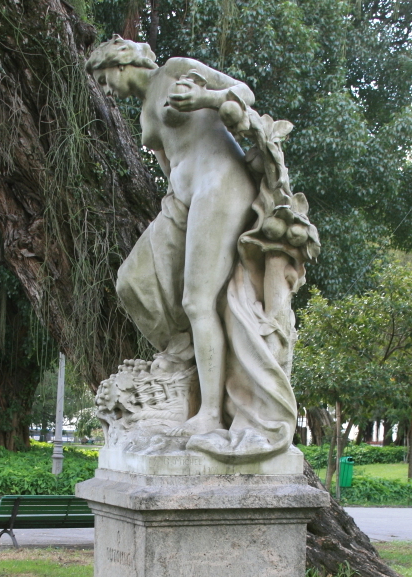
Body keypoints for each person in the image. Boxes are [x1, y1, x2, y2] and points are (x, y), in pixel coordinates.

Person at [87, 37, 319, 459]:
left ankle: (210, 412)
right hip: (184, 198)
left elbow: (243, 94)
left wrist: (204, 97)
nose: (105, 90)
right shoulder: (144, 113)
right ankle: (186, 353)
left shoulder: (175, 70)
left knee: (198, 301)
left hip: (220, 186)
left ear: (121, 63)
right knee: (132, 281)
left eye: (104, 79)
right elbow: (169, 162)